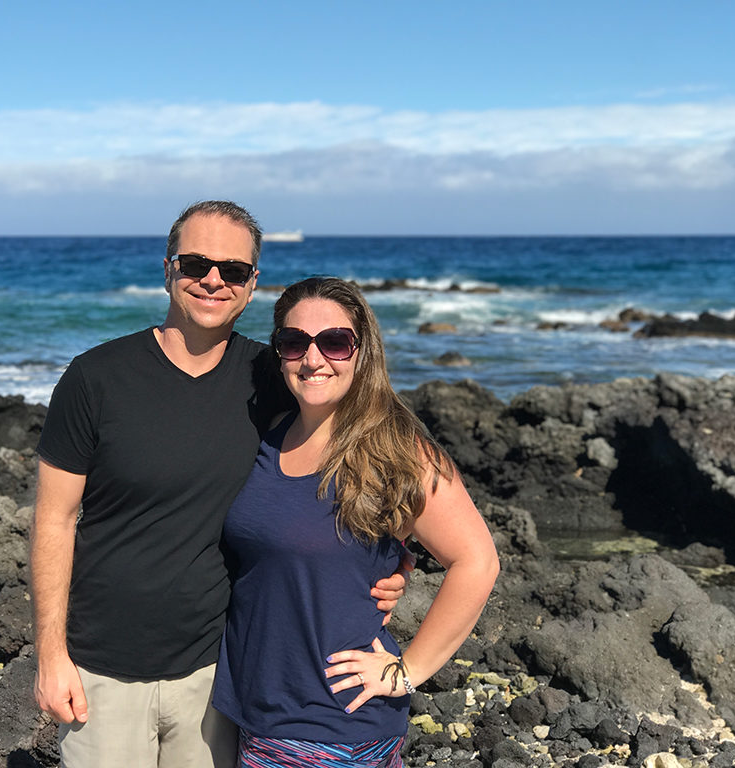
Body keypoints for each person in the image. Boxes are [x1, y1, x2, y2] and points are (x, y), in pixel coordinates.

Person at [30, 202, 407, 768]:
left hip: (219, 672)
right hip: (100, 665)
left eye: (232, 270)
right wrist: (50, 656)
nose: (213, 279)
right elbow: (53, 520)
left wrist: (395, 563)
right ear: (167, 268)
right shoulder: (95, 378)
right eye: (196, 263)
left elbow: (369, 458)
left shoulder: (276, 377)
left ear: (251, 284)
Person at [213, 277, 500, 768]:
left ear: (362, 350)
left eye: (335, 342)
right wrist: (400, 563)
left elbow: (476, 561)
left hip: (336, 728)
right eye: (294, 342)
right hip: (255, 713)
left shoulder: (397, 451)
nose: (313, 358)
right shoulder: (270, 434)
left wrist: (407, 671)